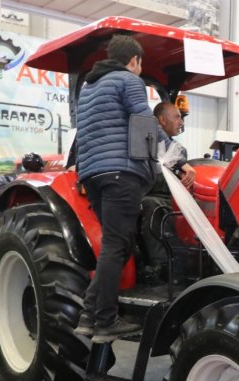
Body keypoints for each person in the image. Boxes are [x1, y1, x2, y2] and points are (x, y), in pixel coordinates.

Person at [74, 35, 154, 341]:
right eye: (140, 63)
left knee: (115, 245)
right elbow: (143, 123)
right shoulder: (128, 80)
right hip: (121, 172)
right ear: (134, 60)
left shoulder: (90, 87)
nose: (140, 68)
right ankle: (105, 321)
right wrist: (173, 159)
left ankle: (87, 316)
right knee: (115, 246)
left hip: (93, 173)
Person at [137, 101, 195, 280]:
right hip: (148, 196)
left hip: (172, 198)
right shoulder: (145, 145)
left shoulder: (179, 151)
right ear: (161, 120)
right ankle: (160, 264)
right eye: (177, 117)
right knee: (153, 206)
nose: (181, 122)